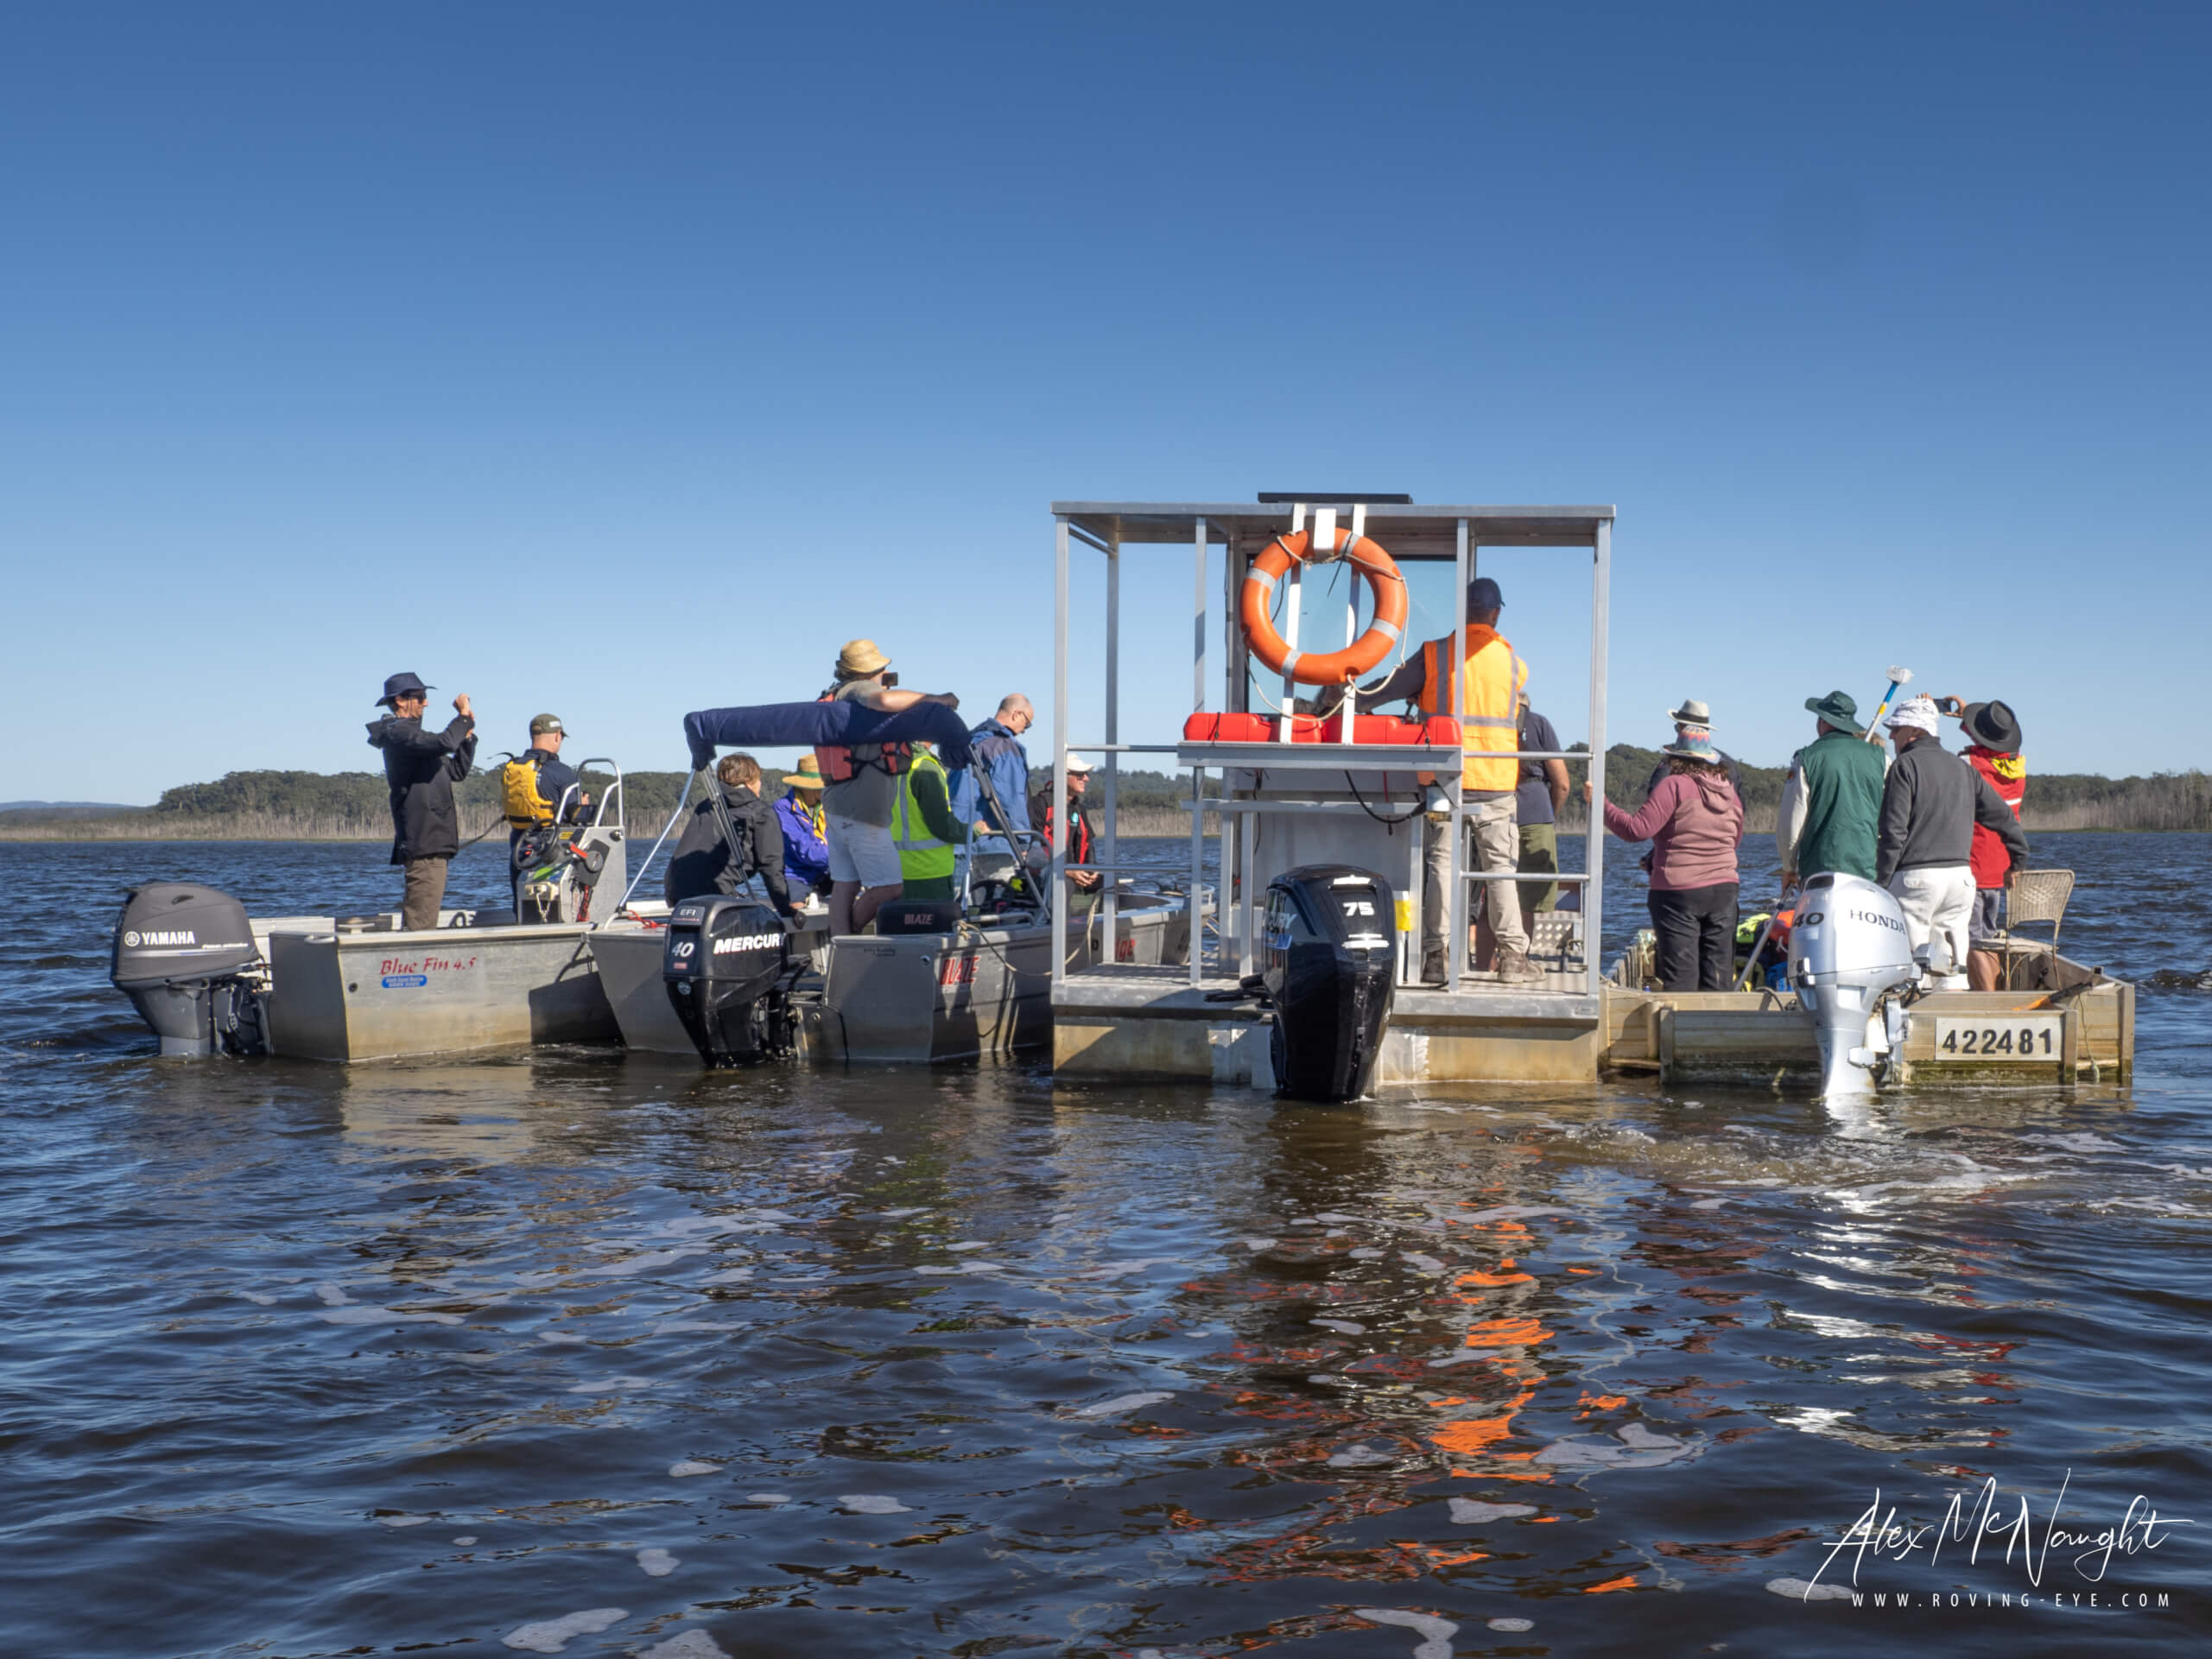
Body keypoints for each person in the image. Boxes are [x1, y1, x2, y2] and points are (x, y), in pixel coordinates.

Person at [1360, 575, 1537, 983]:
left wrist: (1343, 699)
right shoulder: (1514, 663)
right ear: (1495, 614)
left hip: (1444, 779)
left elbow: (1384, 689)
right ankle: (1512, 959)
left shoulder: (1436, 655)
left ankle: (1436, 959)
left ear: (1461, 611)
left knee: (1440, 865)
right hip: (1495, 780)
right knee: (1499, 869)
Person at [1876, 694, 2027, 991]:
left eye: (1897, 728)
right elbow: (2005, 819)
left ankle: (1914, 1028)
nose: (1891, 734)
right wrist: (2019, 858)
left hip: (1917, 879)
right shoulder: (1965, 769)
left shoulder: (1905, 765)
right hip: (1961, 880)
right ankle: (1954, 1024)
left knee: (1912, 968)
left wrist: (1880, 883)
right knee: (1952, 968)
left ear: (1915, 731)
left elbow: (1894, 832)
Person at [816, 639, 960, 935]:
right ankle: (850, 936)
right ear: (871, 671)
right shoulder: (859, 689)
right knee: (890, 887)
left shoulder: (835, 695)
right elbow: (882, 702)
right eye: (883, 672)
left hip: (837, 804)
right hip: (861, 812)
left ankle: (841, 951)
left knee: (845, 885)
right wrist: (935, 699)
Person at [1590, 731, 1745, 991]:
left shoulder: (1674, 785)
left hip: (1678, 893)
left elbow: (1636, 830)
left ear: (1675, 758)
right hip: (1725, 890)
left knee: (1681, 980)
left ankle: (1684, 1030)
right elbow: (1733, 840)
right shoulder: (1731, 793)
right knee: (1718, 978)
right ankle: (1719, 1028)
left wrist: (1600, 803)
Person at [366, 672, 477, 933]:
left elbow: (457, 770)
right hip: (424, 842)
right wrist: (461, 717)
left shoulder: (416, 741)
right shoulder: (400, 733)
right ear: (401, 701)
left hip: (433, 841)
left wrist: (468, 735)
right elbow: (446, 741)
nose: (426, 703)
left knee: (423, 916)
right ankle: (411, 971)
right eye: (421, 697)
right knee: (421, 924)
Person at [1941, 698, 2027, 990]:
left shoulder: (1968, 765)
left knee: (1973, 939)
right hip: (2000, 868)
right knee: (1988, 935)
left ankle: (1988, 1000)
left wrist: (1966, 721)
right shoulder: (2016, 769)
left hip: (1973, 865)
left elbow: (1966, 761)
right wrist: (1967, 720)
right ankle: (1991, 992)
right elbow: (1990, 748)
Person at [662, 752, 797, 920]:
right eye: (758, 780)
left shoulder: (707, 805)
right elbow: (771, 866)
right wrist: (786, 911)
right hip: (712, 894)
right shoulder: (761, 813)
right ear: (750, 783)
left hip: (676, 894)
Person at [1777, 690, 1888, 886]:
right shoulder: (1882, 758)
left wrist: (1788, 868)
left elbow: (1792, 824)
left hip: (1821, 870)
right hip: (1869, 869)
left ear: (1824, 721)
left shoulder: (1806, 758)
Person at [501, 713, 586, 915]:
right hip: (551, 846)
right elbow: (574, 815)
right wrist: (583, 806)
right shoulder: (562, 772)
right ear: (557, 736)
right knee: (552, 905)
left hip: (519, 845)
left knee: (522, 903)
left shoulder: (514, 768)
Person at [953, 694, 1035, 863]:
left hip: (956, 840)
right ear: (1016, 714)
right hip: (990, 846)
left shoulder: (969, 741)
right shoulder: (1003, 747)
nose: (1025, 730)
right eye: (1027, 723)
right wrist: (1023, 841)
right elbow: (1012, 799)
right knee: (997, 888)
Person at [1513, 700, 1572, 928]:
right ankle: (1519, 959)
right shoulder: (1538, 723)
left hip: (1488, 807)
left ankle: (1484, 961)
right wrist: (1550, 814)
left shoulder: (1479, 719)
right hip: (1534, 813)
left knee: (1491, 893)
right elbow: (1562, 784)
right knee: (1528, 901)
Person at [891, 740, 973, 902]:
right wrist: (975, 832)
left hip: (895, 872)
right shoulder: (925, 768)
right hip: (930, 874)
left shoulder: (891, 764)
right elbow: (943, 827)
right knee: (935, 927)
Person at [1030, 756, 1100, 912]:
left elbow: (1089, 844)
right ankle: (1061, 933)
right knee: (1065, 883)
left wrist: (1092, 870)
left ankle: (1101, 932)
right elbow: (1034, 849)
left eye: (1086, 775)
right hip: (1047, 875)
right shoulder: (1039, 804)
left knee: (1110, 884)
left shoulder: (1079, 808)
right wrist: (1065, 870)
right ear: (1064, 776)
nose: (1086, 779)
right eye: (1080, 775)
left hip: (1076, 873)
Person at [1641, 699, 1744, 801]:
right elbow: (1740, 808)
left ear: (1682, 729)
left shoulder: (1671, 762)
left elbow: (1654, 799)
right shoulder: (1730, 765)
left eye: (1677, 727)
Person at [775, 754, 832, 902]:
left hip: (826, 873)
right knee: (798, 914)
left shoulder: (828, 808)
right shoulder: (782, 809)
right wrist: (846, 857)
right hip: (796, 876)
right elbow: (807, 851)